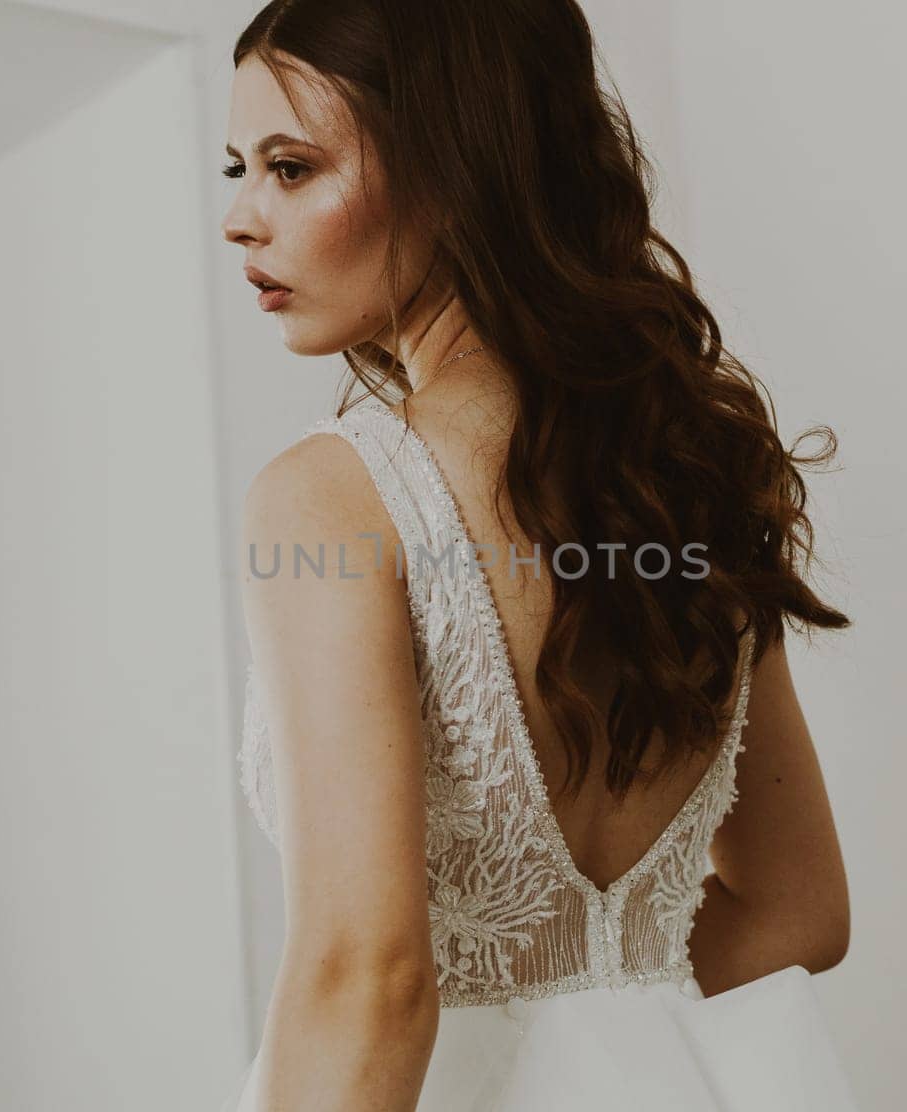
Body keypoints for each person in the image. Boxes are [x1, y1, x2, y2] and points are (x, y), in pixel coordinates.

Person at [219, 1, 859, 1108]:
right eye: (239, 167)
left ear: (453, 170)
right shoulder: (692, 479)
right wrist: (601, 1026)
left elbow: (369, 973)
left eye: (291, 166)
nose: (240, 217)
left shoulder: (329, 499)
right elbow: (797, 908)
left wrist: (507, 1033)